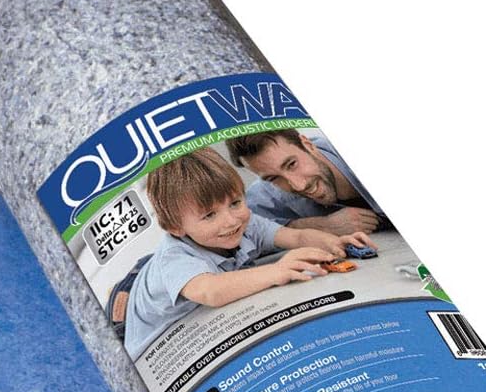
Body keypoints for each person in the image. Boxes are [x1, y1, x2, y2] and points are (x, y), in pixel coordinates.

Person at [122, 147, 375, 360]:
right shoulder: (174, 256)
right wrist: (277, 271)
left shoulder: (247, 223)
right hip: (146, 319)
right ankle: (118, 293)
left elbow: (296, 237)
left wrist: (333, 242)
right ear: (175, 227)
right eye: (209, 215)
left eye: (235, 203)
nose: (231, 220)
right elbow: (210, 291)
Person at [226, 130, 390, 234]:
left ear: (308, 144)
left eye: (292, 164)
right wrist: (318, 226)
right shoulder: (268, 192)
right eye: (274, 178)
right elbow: (238, 228)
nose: (298, 185)